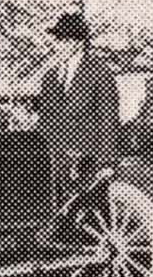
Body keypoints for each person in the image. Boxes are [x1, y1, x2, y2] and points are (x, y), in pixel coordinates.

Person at [37, 12, 120, 193]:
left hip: (87, 163)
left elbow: (108, 120)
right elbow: (44, 123)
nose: (55, 45)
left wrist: (106, 163)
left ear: (76, 43)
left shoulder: (100, 73)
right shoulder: (49, 77)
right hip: (54, 165)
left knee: (88, 213)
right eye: (56, 39)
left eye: (60, 40)